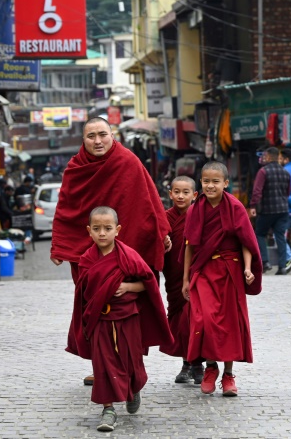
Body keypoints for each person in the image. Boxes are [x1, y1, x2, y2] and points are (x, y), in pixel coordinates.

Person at [51, 117, 171, 386]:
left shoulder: (127, 161)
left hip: (126, 250)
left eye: (102, 135)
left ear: (112, 135)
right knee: (94, 308)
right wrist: (60, 244)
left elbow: (148, 199)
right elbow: (67, 208)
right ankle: (102, 365)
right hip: (89, 253)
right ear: (83, 140)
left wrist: (161, 232)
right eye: (91, 136)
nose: (97, 141)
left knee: (126, 311)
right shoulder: (76, 167)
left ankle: (128, 365)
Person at [66, 207, 172, 432]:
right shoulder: (87, 259)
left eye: (107, 228)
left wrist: (127, 286)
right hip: (100, 319)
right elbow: (83, 294)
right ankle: (108, 409)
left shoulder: (129, 256)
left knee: (130, 359)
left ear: (118, 230)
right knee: (102, 363)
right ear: (89, 231)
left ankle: (134, 387)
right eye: (96, 229)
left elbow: (148, 283)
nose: (102, 233)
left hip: (128, 318)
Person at [182, 161, 263, 397]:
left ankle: (228, 375)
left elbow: (246, 243)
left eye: (215, 181)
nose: (210, 185)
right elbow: (189, 246)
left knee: (229, 324)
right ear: (201, 183)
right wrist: (186, 279)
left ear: (226, 184)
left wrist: (248, 269)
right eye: (206, 181)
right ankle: (210, 367)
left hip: (230, 271)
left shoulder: (235, 208)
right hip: (205, 270)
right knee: (203, 320)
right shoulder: (195, 209)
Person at [160, 176, 204, 385]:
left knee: (194, 318)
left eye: (185, 192)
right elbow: (154, 238)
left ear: (194, 195)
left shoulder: (200, 215)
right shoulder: (164, 217)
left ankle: (197, 363)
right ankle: (187, 362)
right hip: (174, 276)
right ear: (170, 194)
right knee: (180, 320)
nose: (180, 196)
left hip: (197, 275)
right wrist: (162, 239)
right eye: (176, 192)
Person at [249, 147, 291, 273]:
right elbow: (288, 192)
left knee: (260, 234)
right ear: (278, 157)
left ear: (268, 157)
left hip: (267, 210)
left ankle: (265, 262)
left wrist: (253, 206)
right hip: (283, 209)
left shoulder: (263, 171)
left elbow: (257, 191)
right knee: (280, 236)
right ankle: (282, 266)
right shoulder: (286, 172)